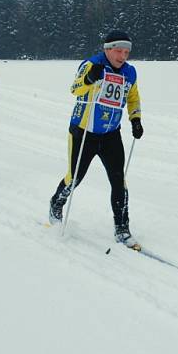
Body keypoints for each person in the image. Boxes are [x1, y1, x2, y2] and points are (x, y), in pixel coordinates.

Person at [48, 29, 143, 248]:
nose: (122, 56)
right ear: (107, 49)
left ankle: (122, 227)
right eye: (118, 51)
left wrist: (135, 118)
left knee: (119, 181)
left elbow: (133, 97)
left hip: (111, 134)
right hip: (84, 133)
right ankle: (56, 203)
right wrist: (90, 78)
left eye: (126, 52)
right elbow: (74, 89)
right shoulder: (91, 64)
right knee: (75, 178)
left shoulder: (130, 73)